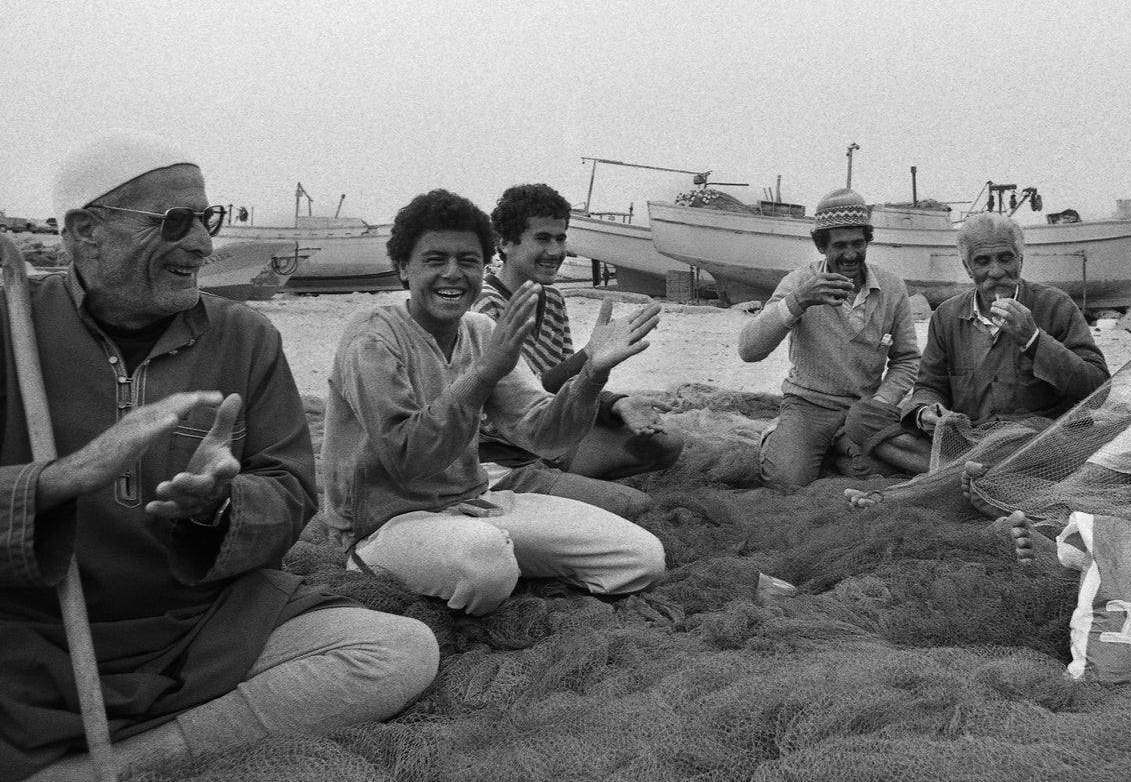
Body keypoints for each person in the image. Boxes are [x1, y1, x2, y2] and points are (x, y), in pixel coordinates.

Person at [1, 131, 438, 781]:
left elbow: (291, 491)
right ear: (86, 231)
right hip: (28, 631)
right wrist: (64, 479)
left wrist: (218, 507)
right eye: (175, 221)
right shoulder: (12, 324)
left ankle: (116, 765)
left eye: (209, 218)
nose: (204, 244)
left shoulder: (247, 336)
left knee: (396, 649)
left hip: (201, 626)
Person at [318, 189, 666, 616]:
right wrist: (483, 373)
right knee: (487, 563)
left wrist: (592, 374)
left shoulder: (481, 329)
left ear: (483, 266)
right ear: (404, 268)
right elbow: (406, 458)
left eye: (467, 261)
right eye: (435, 260)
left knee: (641, 557)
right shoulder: (372, 337)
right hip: (384, 524)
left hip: (474, 507)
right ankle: (381, 563)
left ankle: (480, 564)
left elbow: (544, 436)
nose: (453, 273)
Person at [472, 184, 682, 517]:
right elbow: (521, 399)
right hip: (499, 459)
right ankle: (557, 497)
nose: (555, 251)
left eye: (561, 238)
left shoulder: (552, 299)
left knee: (667, 443)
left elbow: (564, 391)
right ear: (505, 242)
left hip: (546, 444)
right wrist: (589, 358)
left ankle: (567, 493)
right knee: (634, 506)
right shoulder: (484, 307)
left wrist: (616, 403)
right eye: (543, 239)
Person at [852, 212, 1107, 476]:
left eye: (1005, 258)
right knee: (863, 418)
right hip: (966, 440)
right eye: (983, 261)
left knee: (1044, 442)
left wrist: (1033, 340)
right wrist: (925, 411)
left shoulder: (1056, 305)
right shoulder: (946, 316)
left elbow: (1098, 388)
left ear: (1020, 260)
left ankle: (952, 473)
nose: (996, 272)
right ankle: (977, 473)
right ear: (967, 268)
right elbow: (930, 385)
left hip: (1034, 442)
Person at [737, 188, 920, 488]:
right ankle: (779, 434)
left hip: (863, 411)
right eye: (839, 245)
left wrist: (880, 402)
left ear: (868, 240)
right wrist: (799, 300)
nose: (850, 255)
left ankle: (834, 448)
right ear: (821, 246)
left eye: (858, 243)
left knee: (878, 475)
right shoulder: (799, 282)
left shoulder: (892, 287)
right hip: (808, 406)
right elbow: (748, 350)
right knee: (785, 481)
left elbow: (907, 359)